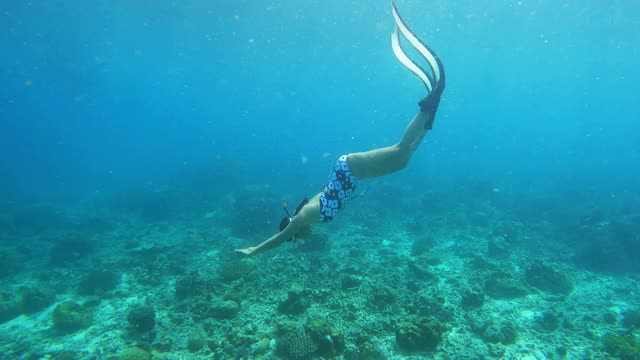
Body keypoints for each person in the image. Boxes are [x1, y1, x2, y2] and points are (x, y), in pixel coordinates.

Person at [236, 3, 446, 256]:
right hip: (352, 172)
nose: (299, 239)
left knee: (400, 153)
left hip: (350, 169)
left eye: (295, 238)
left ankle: (428, 105)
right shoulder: (307, 216)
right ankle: (429, 114)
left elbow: (280, 238)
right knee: (403, 161)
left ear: (292, 229)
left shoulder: (303, 217)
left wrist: (254, 251)